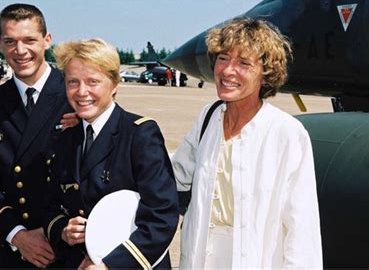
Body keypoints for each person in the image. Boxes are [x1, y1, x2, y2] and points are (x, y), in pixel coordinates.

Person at [171, 17, 323, 268]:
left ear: (265, 74)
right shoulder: (208, 117)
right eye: (223, 58)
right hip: (200, 256)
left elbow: (301, 223)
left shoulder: (286, 133)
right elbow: (173, 175)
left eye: (243, 63)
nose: (228, 71)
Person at [44, 38, 179, 269]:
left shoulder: (139, 135)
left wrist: (111, 266)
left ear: (115, 83)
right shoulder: (66, 137)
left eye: (93, 81)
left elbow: (161, 217)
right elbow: (51, 204)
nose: (81, 92)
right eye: (72, 82)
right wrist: (64, 230)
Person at [0, 3, 75, 268]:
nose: (20, 51)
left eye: (30, 40)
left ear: (47, 40)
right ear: (0, 44)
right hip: (19, 251)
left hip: (71, 246)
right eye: (10, 41)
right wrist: (18, 235)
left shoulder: (76, 95)